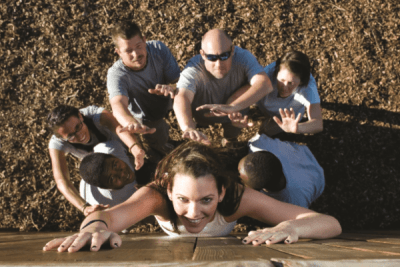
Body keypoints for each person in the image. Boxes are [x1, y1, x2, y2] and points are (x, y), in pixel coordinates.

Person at [43, 142, 341, 252]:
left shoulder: (237, 198)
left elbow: (329, 224)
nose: (194, 212)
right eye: (183, 199)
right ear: (169, 190)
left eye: (207, 200)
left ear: (221, 192)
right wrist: (94, 228)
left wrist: (291, 227)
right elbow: (107, 216)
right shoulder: (155, 196)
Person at [173, 29, 273, 144]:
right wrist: (188, 127)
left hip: (235, 115)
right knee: (202, 127)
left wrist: (232, 107)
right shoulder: (194, 68)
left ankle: (229, 141)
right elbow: (182, 96)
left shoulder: (243, 57)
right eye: (212, 58)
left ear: (232, 51)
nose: (219, 64)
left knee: (232, 135)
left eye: (224, 56)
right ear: (203, 54)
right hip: (204, 115)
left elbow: (265, 84)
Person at [47, 105, 145, 216]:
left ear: (80, 116)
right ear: (61, 138)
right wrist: (84, 207)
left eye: (78, 127)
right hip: (102, 164)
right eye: (71, 136)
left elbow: (118, 128)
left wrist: (135, 148)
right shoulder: (57, 142)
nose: (79, 136)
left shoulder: (95, 114)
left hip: (119, 148)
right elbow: (61, 179)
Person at [107, 21, 180, 154]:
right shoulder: (116, 74)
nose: (136, 54)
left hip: (168, 98)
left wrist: (172, 88)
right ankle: (158, 149)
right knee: (159, 136)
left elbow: (178, 80)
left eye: (139, 46)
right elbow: (117, 104)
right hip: (146, 116)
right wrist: (130, 122)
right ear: (118, 52)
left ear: (145, 40)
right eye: (128, 51)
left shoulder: (158, 48)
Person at [238, 133, 325, 208]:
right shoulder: (261, 144)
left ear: (261, 189)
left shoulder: (293, 202)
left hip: (318, 182)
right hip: (305, 156)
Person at [257, 51, 323, 136]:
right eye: (282, 80)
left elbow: (318, 124)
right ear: (277, 72)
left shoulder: (308, 88)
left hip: (287, 118)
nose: (284, 87)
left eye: (291, 83)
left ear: (301, 82)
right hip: (264, 105)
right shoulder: (268, 72)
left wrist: (297, 128)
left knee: (265, 131)